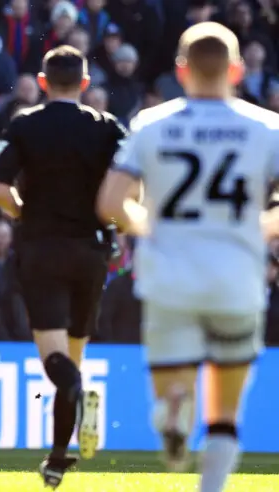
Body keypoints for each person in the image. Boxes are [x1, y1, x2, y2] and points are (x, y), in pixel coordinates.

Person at [97, 22, 279, 492]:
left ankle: (171, 409)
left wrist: (151, 224)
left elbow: (112, 203)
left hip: (169, 278)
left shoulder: (151, 125)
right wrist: (259, 226)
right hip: (237, 278)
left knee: (174, 381)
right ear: (237, 70)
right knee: (225, 410)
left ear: (181, 70)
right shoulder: (266, 128)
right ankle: (211, 486)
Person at [0, 45, 127, 488]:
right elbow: (129, 188)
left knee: (55, 360)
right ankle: (56, 458)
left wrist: (24, 214)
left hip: (42, 250)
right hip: (91, 251)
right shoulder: (108, 129)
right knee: (73, 358)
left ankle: (70, 420)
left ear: (44, 83)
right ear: (85, 83)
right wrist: (114, 224)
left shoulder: (26, 124)